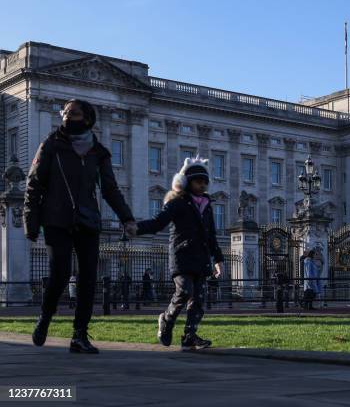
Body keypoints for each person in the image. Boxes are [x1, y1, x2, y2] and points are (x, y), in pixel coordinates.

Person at [24, 99, 137, 354]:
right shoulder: (50, 146)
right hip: (56, 219)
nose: (66, 116)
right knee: (60, 273)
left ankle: (79, 336)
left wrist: (127, 218)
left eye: (72, 113)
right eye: (64, 112)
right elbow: (34, 186)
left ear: (87, 119)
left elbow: (110, 190)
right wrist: (30, 222)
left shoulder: (99, 153)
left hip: (88, 220)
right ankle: (45, 317)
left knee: (88, 278)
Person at [129, 156, 224, 351]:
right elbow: (158, 222)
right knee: (184, 291)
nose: (203, 185)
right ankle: (166, 319)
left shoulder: (207, 205)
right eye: (199, 181)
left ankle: (189, 336)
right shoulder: (177, 202)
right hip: (181, 255)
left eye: (205, 182)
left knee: (198, 299)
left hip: (201, 257)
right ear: (188, 182)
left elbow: (211, 235)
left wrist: (218, 259)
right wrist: (136, 228)